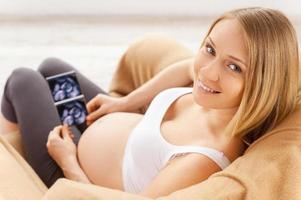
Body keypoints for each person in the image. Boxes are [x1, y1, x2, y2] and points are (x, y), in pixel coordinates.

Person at [0, 7, 299, 198]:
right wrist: (123, 103)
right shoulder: (210, 95)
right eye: (209, 49)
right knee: (52, 66)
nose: (208, 72)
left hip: (75, 169)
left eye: (233, 67)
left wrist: (67, 160)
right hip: (92, 126)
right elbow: (185, 68)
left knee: (23, 80)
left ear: (263, 82)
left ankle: (11, 149)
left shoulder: (203, 158)